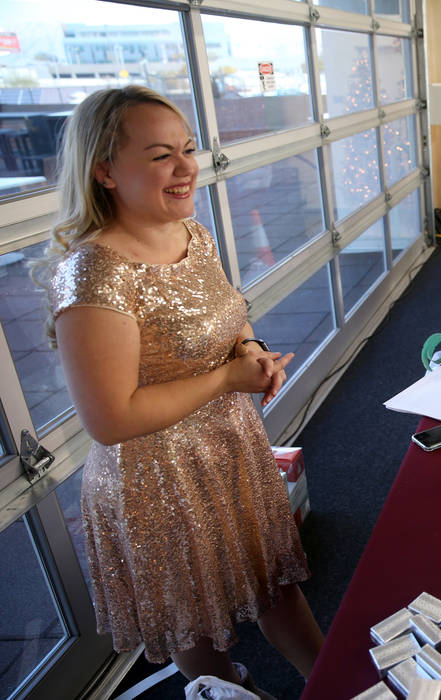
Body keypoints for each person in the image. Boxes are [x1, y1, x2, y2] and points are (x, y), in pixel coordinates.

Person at [33, 86, 324, 697]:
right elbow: (110, 419)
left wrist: (249, 352)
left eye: (188, 149)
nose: (187, 167)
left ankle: (329, 682)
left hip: (229, 448)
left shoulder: (193, 234)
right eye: (162, 154)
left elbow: (230, 317)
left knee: (275, 582)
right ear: (105, 170)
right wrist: (226, 378)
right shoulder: (94, 273)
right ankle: (223, 691)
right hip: (156, 478)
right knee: (197, 621)